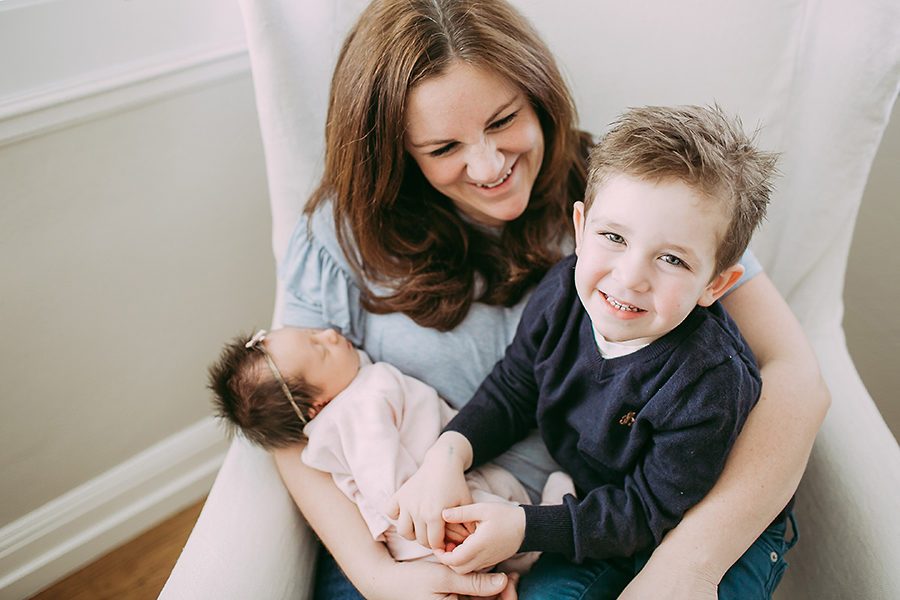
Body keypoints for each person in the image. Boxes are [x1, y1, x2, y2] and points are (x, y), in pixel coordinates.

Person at [270, 1, 829, 599]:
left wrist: (687, 563)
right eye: (442, 148)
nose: (489, 167)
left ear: (539, 94)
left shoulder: (645, 195)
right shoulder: (341, 235)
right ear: (399, 152)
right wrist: (379, 574)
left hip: (599, 520)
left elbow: (794, 377)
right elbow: (283, 418)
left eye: (504, 119)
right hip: (416, 529)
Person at [391, 104, 797, 600]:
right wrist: (446, 456)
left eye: (671, 259)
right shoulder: (563, 292)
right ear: (581, 228)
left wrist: (524, 526)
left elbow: (647, 510)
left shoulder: (708, 379)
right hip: (605, 506)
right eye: (614, 237)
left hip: (708, 530)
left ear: (716, 283)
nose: (629, 277)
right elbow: (514, 388)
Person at [207, 326, 570, 580]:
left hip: (435, 507)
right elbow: (385, 483)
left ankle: (515, 563)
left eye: (312, 332)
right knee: (499, 509)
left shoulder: (336, 420)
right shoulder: (357, 408)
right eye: (320, 349)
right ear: (315, 405)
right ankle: (531, 552)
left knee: (497, 500)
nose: (330, 334)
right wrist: (437, 521)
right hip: (430, 517)